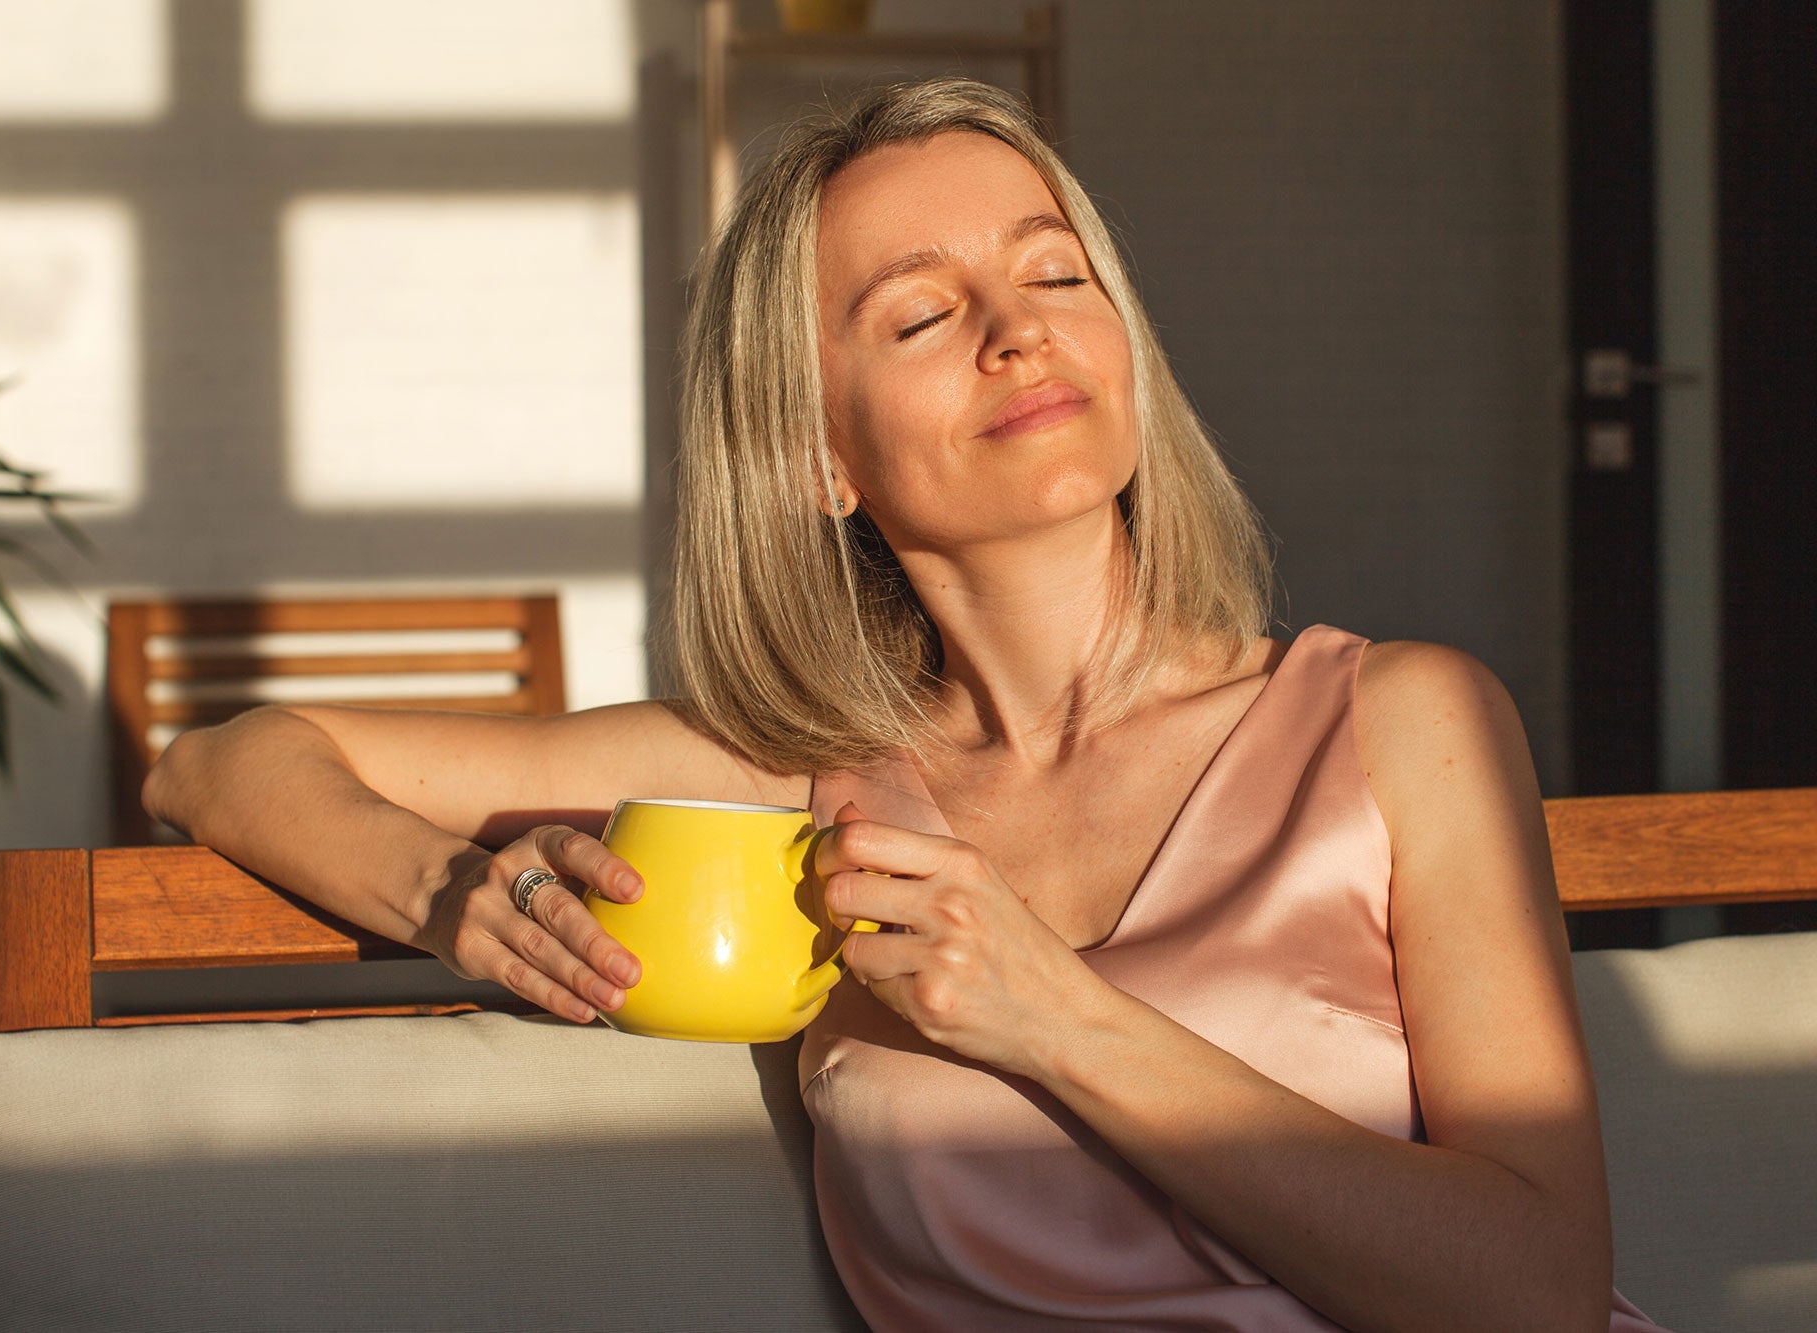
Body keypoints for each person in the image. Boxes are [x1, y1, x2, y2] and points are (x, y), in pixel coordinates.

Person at [147, 78, 1667, 1333]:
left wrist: (1055, 1016)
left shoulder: (1406, 722)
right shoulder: (796, 788)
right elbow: (220, 761)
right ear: (820, 458)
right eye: (921, 316)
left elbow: (1537, 1292)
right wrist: (447, 890)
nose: (1019, 328)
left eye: (1054, 272)